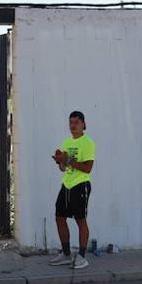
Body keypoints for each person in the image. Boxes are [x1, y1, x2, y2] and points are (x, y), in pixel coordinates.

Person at [50, 110, 95, 270]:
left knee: (80, 220)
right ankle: (66, 254)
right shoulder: (67, 142)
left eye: (76, 122)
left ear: (83, 124)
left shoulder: (88, 142)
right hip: (67, 185)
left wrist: (67, 159)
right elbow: (63, 168)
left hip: (81, 185)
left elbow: (88, 168)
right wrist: (59, 161)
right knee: (59, 217)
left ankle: (82, 257)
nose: (73, 125)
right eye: (71, 122)